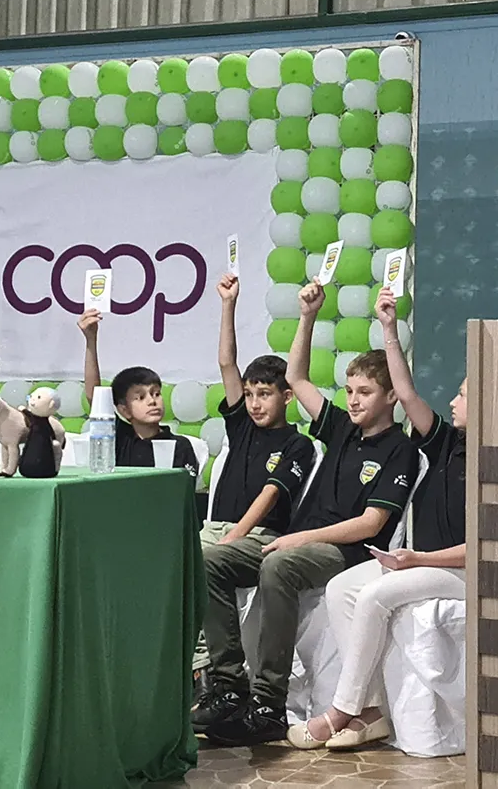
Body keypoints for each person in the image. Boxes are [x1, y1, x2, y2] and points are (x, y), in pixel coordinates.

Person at [199, 280, 419, 747]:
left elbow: (371, 524)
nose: (353, 400)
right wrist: (307, 315)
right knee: (211, 560)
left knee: (279, 565)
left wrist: (299, 538)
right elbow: (297, 378)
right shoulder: (341, 428)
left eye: (364, 391)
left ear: (390, 397)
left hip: (347, 553)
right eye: (349, 390)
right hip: (298, 541)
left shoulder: (399, 449)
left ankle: (268, 702)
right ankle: (229, 684)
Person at [288, 286, 467, 751]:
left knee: (373, 596)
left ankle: (340, 711)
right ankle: (369, 710)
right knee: (341, 588)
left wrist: (420, 558)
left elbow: (486, 547)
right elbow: (405, 391)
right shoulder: (445, 443)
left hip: (459, 568)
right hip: (420, 559)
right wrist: (388, 325)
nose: (453, 400)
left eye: (463, 394)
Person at [188, 272, 318, 728]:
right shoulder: (241, 426)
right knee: (169, 561)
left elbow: (270, 494)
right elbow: (227, 362)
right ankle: (192, 673)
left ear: (288, 396)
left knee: (199, 559)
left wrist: (235, 536)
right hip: (216, 531)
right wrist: (228, 305)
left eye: (265, 394)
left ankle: (218, 679)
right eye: (249, 395)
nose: (255, 403)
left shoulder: (298, 444)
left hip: (258, 537)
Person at [80, 309, 201, 479]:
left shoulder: (179, 445)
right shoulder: (120, 439)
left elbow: (186, 487)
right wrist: (91, 341)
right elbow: (95, 397)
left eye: (156, 394)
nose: (152, 401)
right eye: (141, 397)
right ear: (124, 410)